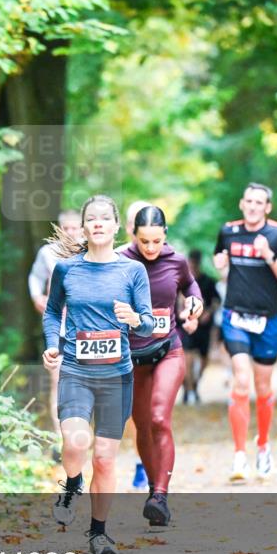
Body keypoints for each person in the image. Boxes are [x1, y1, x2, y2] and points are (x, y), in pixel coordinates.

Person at [44, 194, 155, 554]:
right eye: (91, 218)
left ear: (116, 226)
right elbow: (52, 313)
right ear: (84, 226)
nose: (98, 223)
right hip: (76, 371)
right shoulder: (67, 270)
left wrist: (135, 319)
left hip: (116, 376)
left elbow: (149, 322)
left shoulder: (132, 271)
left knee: (105, 457)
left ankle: (98, 533)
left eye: (105, 218)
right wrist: (53, 345)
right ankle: (73, 482)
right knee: (76, 442)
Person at [121, 206, 203, 526]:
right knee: (142, 426)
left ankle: (160, 495)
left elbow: (190, 287)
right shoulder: (119, 260)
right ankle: (155, 493)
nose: (151, 248)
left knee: (158, 418)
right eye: (144, 241)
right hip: (133, 357)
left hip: (168, 350)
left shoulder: (176, 260)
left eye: (157, 241)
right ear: (134, 235)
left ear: (165, 235)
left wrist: (194, 305)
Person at [213, 183, 277, 481]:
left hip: (268, 321)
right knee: (241, 380)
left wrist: (268, 255)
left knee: (262, 387)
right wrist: (220, 264)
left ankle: (263, 446)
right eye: (248, 201)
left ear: (267, 207)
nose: (252, 206)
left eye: (258, 202)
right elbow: (220, 262)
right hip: (235, 317)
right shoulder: (228, 232)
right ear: (241, 203)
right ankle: (239, 456)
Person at [28, 210, 84, 449]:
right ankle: (61, 440)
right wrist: (36, 297)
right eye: (66, 228)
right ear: (59, 230)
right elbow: (35, 277)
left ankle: (81, 431)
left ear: (82, 229)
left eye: (74, 228)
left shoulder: (91, 252)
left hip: (85, 329)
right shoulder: (48, 253)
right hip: (58, 327)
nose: (70, 233)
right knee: (58, 381)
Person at [116, 200, 153, 491]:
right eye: (136, 222)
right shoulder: (115, 258)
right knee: (132, 410)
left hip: (157, 344)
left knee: (154, 409)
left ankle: (149, 462)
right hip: (124, 344)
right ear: (129, 227)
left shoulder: (164, 254)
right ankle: (141, 459)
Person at [179, 250, 220, 404]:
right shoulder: (182, 281)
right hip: (186, 325)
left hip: (204, 327)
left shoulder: (208, 281)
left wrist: (208, 312)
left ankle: (194, 386)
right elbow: (177, 301)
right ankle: (188, 391)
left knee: (204, 360)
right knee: (187, 360)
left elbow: (216, 301)